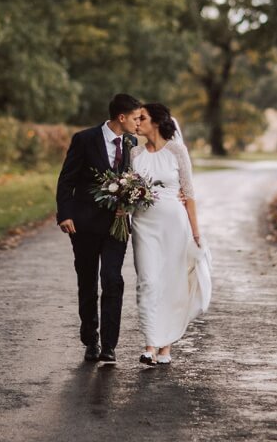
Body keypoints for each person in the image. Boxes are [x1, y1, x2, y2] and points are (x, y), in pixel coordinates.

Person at [55, 93, 143, 363]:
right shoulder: (84, 139)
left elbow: (137, 182)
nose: (139, 123)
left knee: (113, 280)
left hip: (116, 226)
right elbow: (66, 179)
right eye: (136, 118)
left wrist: (127, 205)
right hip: (83, 224)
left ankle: (109, 345)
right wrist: (65, 215)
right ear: (121, 117)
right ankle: (90, 339)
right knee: (88, 281)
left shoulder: (132, 143)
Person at [129, 102, 211, 366]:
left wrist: (196, 234)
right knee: (148, 281)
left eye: (142, 118)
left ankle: (165, 346)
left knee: (172, 281)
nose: (137, 122)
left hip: (175, 224)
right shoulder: (135, 153)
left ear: (156, 122)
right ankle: (149, 345)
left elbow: (188, 193)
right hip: (143, 223)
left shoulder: (177, 151)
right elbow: (128, 189)